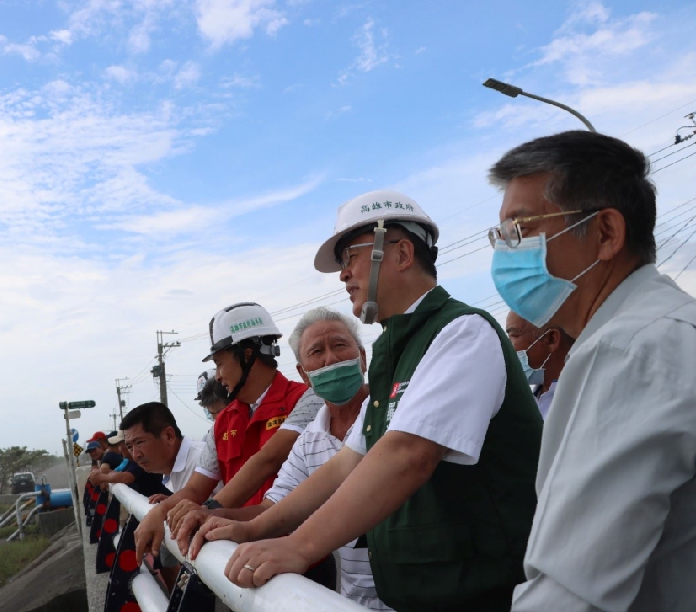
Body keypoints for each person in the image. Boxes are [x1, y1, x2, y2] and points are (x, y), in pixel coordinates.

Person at [224, 190, 542, 612]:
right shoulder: (393, 356)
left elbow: (408, 454)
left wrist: (298, 547)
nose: (343, 275)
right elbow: (347, 463)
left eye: (349, 257)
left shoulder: (462, 332)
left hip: (484, 595)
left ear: (402, 253)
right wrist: (254, 530)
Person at [486, 131, 696, 612]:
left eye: (519, 230)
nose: (503, 252)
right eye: (500, 236)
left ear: (605, 233)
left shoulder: (631, 348)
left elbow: (570, 592)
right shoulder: (658, 328)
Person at [190, 307, 390, 610]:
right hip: (354, 600)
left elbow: (268, 462)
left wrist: (227, 516)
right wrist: (220, 520)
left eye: (339, 346)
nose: (330, 359)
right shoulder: (309, 439)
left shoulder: (394, 414)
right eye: (316, 351)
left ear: (362, 357)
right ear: (303, 373)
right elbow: (275, 508)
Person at [132, 302, 324, 567]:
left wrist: (208, 511)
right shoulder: (222, 423)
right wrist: (161, 512)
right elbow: (196, 488)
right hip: (239, 559)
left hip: (296, 556)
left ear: (247, 355)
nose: (219, 376)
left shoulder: (306, 400)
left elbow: (268, 459)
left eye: (220, 363)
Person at [120, 401, 206, 588]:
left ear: (168, 435)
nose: (135, 455)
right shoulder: (172, 470)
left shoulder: (202, 459)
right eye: (130, 446)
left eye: (140, 442)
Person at [505, 311, 573, 419]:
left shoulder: (583, 397)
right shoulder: (526, 404)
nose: (506, 347)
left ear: (551, 339)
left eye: (514, 335)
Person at [89, 431, 170, 498]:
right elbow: (120, 474)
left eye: (120, 445)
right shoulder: (131, 461)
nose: (119, 448)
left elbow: (127, 477)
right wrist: (106, 478)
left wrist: (103, 478)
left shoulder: (140, 460)